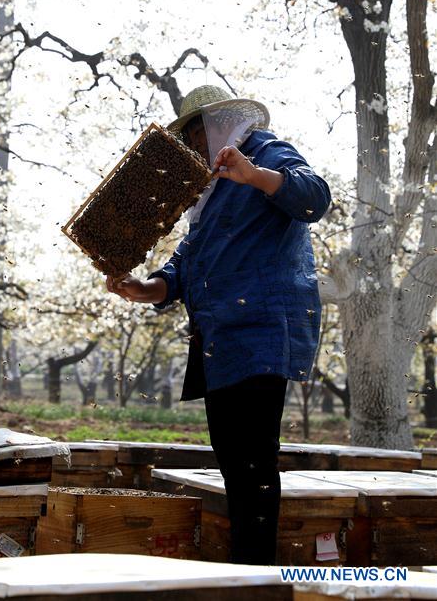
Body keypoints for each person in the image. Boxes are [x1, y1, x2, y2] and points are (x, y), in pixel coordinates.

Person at [105, 85, 331, 565]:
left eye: (191, 135)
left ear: (215, 123)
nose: (189, 148)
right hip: (220, 336)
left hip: (262, 329)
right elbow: (188, 262)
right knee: (232, 457)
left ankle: (257, 576)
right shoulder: (205, 191)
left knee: (253, 462)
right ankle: (247, 570)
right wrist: (146, 289)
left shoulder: (267, 150)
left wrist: (257, 177)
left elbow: (315, 198)